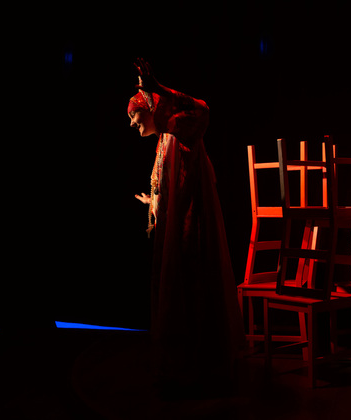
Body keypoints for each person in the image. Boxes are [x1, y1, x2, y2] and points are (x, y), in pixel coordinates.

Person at [127, 59, 245, 397]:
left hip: (191, 225)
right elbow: (166, 184)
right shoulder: (165, 140)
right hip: (175, 225)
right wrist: (153, 202)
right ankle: (180, 366)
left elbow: (202, 109)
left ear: (150, 109)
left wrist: (158, 88)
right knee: (176, 289)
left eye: (134, 115)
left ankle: (198, 367)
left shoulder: (181, 130)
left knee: (191, 286)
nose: (132, 123)